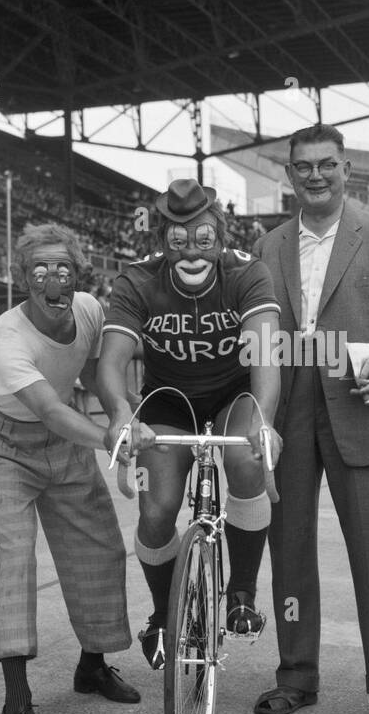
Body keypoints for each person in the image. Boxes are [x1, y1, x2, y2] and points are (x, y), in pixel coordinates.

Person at [250, 123, 369, 714]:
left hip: (364, 406)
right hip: (289, 409)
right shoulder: (268, 245)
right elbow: (255, 334)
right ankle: (296, 675)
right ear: (290, 173)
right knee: (290, 548)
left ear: (347, 169)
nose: (316, 176)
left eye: (328, 165)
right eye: (304, 167)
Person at [98, 179, 282, 671]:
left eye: (203, 239)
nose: (191, 252)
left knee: (245, 455)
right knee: (157, 508)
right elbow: (111, 364)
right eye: (177, 241)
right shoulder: (137, 279)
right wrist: (119, 412)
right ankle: (162, 613)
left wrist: (263, 421)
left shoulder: (248, 272)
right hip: (168, 400)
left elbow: (264, 353)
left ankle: (241, 589)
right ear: (162, 242)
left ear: (219, 237)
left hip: (232, 395)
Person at [0, 222, 138, 714]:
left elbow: (98, 374)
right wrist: (114, 444)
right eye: (40, 270)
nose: (53, 280)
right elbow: (48, 409)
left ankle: (92, 666)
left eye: (63, 269)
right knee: (18, 561)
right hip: (7, 448)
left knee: (102, 548)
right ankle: (15, 703)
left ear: (77, 276)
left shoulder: (89, 310)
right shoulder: (5, 338)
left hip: (66, 446)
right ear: (24, 279)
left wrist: (121, 416)